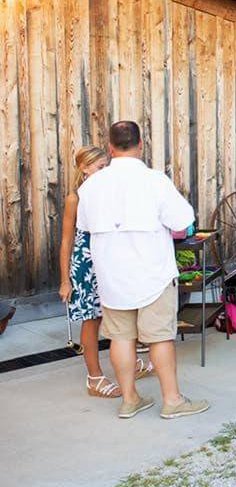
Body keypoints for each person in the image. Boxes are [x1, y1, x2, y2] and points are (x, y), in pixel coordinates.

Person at [77, 121, 209, 419]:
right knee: (160, 337)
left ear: (110, 148)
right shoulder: (154, 180)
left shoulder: (91, 186)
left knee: (120, 337)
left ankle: (129, 399)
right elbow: (182, 220)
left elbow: (83, 226)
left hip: (111, 274)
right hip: (152, 272)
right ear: (141, 145)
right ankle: (172, 400)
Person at [59, 146, 153, 398]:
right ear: (84, 168)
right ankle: (95, 378)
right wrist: (64, 280)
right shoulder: (75, 198)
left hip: (110, 259)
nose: (104, 172)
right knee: (92, 319)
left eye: (106, 167)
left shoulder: (108, 193)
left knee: (121, 312)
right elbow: (67, 240)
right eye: (100, 167)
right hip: (87, 264)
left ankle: (130, 363)